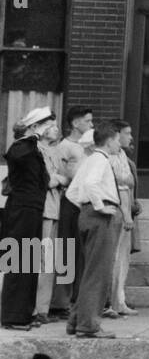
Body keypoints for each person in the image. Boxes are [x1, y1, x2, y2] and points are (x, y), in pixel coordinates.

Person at [64, 121, 126, 339]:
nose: (120, 144)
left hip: (86, 215)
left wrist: (86, 208)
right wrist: (100, 207)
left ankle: (76, 320)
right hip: (100, 218)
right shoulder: (100, 160)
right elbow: (90, 184)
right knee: (98, 273)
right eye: (118, 139)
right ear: (109, 141)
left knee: (89, 271)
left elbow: (72, 193)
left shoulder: (90, 160)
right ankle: (89, 325)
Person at [1, 107, 54, 330]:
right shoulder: (23, 147)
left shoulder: (34, 149)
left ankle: (23, 313)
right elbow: (15, 155)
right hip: (21, 210)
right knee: (19, 260)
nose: (51, 129)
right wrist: (31, 137)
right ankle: (13, 316)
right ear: (34, 127)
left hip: (32, 210)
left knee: (29, 261)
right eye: (46, 125)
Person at [50, 106, 92, 317]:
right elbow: (58, 175)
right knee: (66, 250)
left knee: (81, 253)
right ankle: (60, 301)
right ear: (75, 123)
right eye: (87, 121)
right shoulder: (64, 147)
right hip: (69, 201)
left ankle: (76, 297)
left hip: (84, 203)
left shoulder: (89, 147)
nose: (91, 125)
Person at [33, 120, 66, 326]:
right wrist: (57, 179)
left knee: (49, 262)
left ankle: (43, 308)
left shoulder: (54, 152)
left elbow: (64, 178)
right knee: (35, 260)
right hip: (42, 209)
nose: (57, 129)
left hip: (54, 209)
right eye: (52, 126)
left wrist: (58, 179)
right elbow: (47, 180)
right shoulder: (35, 151)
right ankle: (34, 307)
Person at [104, 119, 138, 317]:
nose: (130, 137)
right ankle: (109, 302)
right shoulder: (108, 158)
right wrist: (126, 214)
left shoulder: (123, 156)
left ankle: (119, 300)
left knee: (122, 259)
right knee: (113, 258)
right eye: (127, 133)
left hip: (127, 210)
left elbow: (129, 184)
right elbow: (119, 186)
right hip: (116, 211)